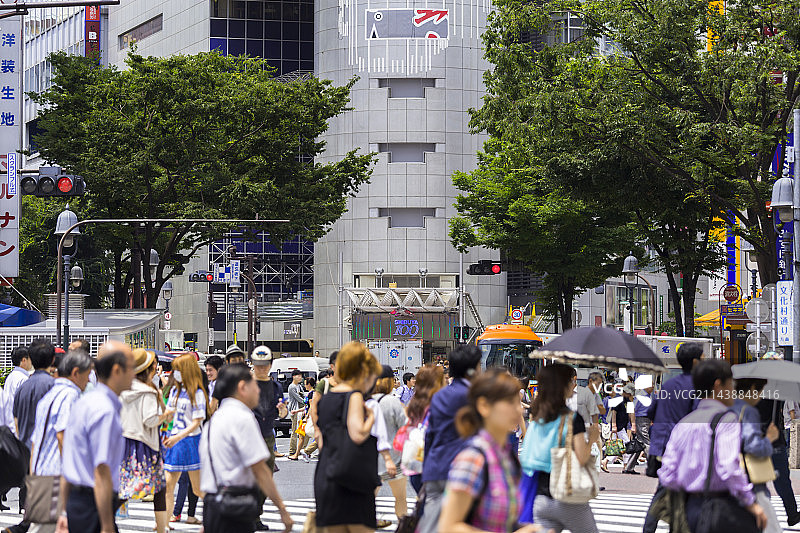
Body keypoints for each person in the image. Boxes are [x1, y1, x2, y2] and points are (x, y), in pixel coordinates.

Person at [658, 359, 767, 531]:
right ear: (718, 385)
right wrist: (750, 502)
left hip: (689, 509)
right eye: (731, 384)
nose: (733, 391)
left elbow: (667, 474)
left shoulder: (684, 423)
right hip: (720, 507)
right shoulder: (727, 420)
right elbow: (728, 467)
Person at [439, 369, 538, 533]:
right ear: (484, 406)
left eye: (518, 403)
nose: (518, 410)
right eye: (509, 402)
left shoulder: (505, 455)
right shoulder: (473, 458)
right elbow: (448, 527)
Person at [199, 364, 292, 533]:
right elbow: (260, 470)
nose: (258, 390)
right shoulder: (243, 418)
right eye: (255, 385)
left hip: (212, 504)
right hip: (236, 506)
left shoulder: (213, 421)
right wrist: (283, 511)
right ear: (242, 387)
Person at [57, 341, 135, 533]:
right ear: (117, 370)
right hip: (93, 507)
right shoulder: (105, 411)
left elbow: (68, 461)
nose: (135, 373)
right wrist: (107, 525)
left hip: (78, 503)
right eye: (132, 368)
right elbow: (101, 471)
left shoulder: (85, 402)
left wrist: (62, 513)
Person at [520, 363, 600, 532]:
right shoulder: (572, 419)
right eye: (571, 380)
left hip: (540, 500)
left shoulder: (538, 419)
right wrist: (592, 438)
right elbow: (582, 457)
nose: (573, 384)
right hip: (567, 497)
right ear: (562, 385)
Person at [314, 342, 382, 532]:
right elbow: (358, 434)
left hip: (326, 476)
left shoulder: (327, 398)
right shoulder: (354, 396)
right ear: (363, 371)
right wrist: (370, 419)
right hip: (353, 481)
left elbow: (322, 439)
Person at [416, 345, 482, 533]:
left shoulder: (439, 396)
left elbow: (431, 434)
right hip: (461, 471)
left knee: (432, 524)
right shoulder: (474, 396)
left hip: (435, 468)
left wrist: (426, 466)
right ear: (472, 369)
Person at [26, 350, 92, 533]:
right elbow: (63, 435)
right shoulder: (70, 395)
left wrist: (33, 474)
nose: (88, 382)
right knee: (46, 527)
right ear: (76, 372)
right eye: (87, 376)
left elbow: (35, 442)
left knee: (45, 525)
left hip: (42, 472)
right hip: (58, 474)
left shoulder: (50, 395)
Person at [642, 341, 703, 533]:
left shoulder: (668, 385)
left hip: (660, 445)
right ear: (694, 362)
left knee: (673, 492)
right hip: (680, 450)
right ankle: (649, 529)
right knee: (667, 492)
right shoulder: (697, 387)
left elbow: (651, 411)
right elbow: (698, 418)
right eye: (702, 359)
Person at [120, 349, 176, 533]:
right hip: (146, 445)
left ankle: (99, 521)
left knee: (125, 486)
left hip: (126, 443)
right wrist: (166, 415)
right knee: (158, 488)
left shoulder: (123, 388)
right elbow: (151, 420)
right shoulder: (147, 392)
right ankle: (161, 528)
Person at [9, 339, 56, 533]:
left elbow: (16, 419)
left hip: (26, 445)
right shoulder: (52, 385)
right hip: (45, 450)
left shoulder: (23, 386)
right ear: (52, 359)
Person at [732, 378, 782, 533]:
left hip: (728, 482)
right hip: (750, 483)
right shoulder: (748, 411)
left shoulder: (725, 407)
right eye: (760, 391)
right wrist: (769, 439)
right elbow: (754, 447)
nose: (760, 397)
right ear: (753, 388)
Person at [163, 353, 207, 522]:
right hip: (175, 440)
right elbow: (168, 414)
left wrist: (176, 437)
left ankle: (221, 514)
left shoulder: (198, 393)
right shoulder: (175, 390)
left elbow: (196, 422)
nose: (175, 373)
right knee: (168, 485)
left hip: (191, 441)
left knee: (197, 488)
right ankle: (164, 524)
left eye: (178, 370)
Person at [250, 345, 284, 530]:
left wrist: (283, 411)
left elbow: (282, 410)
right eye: (258, 365)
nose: (261, 368)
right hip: (248, 437)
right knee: (248, 478)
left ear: (270, 365)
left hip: (268, 435)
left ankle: (256, 515)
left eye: (265, 365)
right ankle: (250, 516)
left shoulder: (276, 386)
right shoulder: (245, 385)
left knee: (266, 478)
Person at [372, 365, 409, 520]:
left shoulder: (364, 400)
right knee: (400, 498)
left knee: (368, 499)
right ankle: (402, 525)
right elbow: (404, 426)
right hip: (394, 459)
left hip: (370, 459)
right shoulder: (392, 401)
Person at [404, 365, 446, 493]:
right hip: (434, 467)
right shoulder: (440, 404)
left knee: (424, 504)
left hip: (416, 464)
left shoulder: (414, 404)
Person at [623, 383, 654, 474]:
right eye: (651, 385)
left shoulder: (648, 395)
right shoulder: (641, 395)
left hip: (646, 420)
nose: (652, 387)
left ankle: (629, 467)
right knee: (646, 443)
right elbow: (632, 409)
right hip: (641, 420)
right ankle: (653, 465)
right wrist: (633, 424)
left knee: (639, 444)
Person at [289, 376, 317, 461]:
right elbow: (306, 407)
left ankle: (299, 453)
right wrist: (297, 411)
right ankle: (300, 453)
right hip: (305, 417)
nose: (304, 386)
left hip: (307, 419)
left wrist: (307, 417)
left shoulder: (312, 393)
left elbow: (311, 407)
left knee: (303, 437)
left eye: (305, 384)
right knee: (301, 437)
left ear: (309, 384)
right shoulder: (309, 393)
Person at [4, 346, 32, 429]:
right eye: (30, 359)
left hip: (9, 421)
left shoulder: (11, 376)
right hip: (18, 423)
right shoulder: (23, 379)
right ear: (24, 360)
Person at [287, 369, 305, 456]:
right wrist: (306, 401)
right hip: (295, 410)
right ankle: (292, 450)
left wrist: (306, 400)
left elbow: (303, 395)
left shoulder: (299, 386)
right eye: (298, 376)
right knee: (294, 431)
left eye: (301, 376)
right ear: (294, 376)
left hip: (300, 409)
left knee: (301, 430)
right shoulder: (292, 387)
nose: (300, 377)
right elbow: (299, 398)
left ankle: (300, 449)